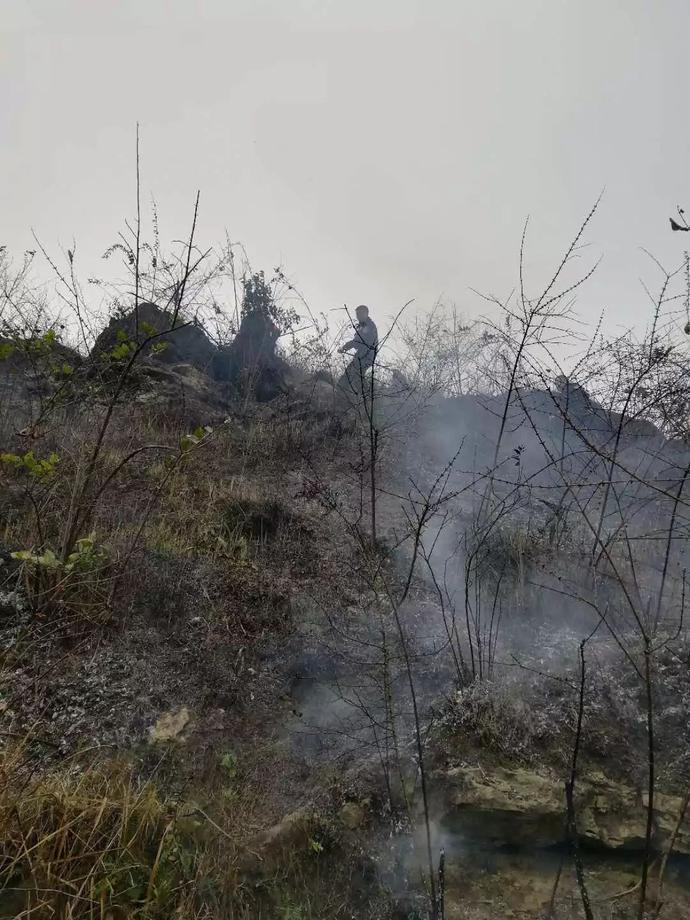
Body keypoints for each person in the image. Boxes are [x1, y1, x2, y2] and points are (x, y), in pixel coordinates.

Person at [337, 304, 379, 393]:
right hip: (361, 355)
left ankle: (367, 397)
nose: (358, 316)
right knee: (350, 375)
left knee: (355, 377)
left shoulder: (369, 326)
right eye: (357, 314)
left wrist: (344, 348)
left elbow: (358, 342)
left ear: (366, 314)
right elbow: (357, 342)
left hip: (366, 356)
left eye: (360, 314)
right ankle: (343, 393)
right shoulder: (362, 325)